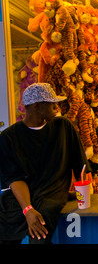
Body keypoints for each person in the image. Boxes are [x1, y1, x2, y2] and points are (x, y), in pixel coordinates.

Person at [0, 83, 90, 244]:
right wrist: (28, 209)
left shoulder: (63, 126)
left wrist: (83, 193)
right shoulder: (8, 137)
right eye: (52, 104)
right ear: (37, 106)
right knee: (5, 226)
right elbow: (14, 178)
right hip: (21, 196)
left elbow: (80, 165)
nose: (57, 107)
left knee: (39, 235)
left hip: (52, 194)